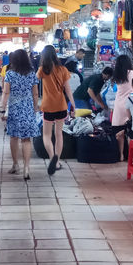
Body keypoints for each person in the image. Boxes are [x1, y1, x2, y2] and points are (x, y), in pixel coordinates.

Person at [0, 49, 40, 180]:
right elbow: (35, 94)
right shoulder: (32, 74)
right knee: (27, 139)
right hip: (28, 108)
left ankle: (15, 165)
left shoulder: (10, 74)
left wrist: (2, 108)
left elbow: (6, 93)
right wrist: (35, 108)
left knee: (14, 137)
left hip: (15, 108)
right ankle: (26, 168)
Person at [37, 45, 76, 175]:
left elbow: (35, 82)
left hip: (48, 106)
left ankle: (52, 156)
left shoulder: (42, 70)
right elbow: (68, 89)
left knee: (47, 135)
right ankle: (57, 161)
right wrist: (73, 105)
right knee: (59, 134)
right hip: (61, 105)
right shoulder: (63, 69)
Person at [111, 54, 133, 160]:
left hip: (119, 104)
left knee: (119, 132)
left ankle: (121, 155)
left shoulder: (117, 75)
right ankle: (131, 155)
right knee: (130, 130)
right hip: (130, 104)